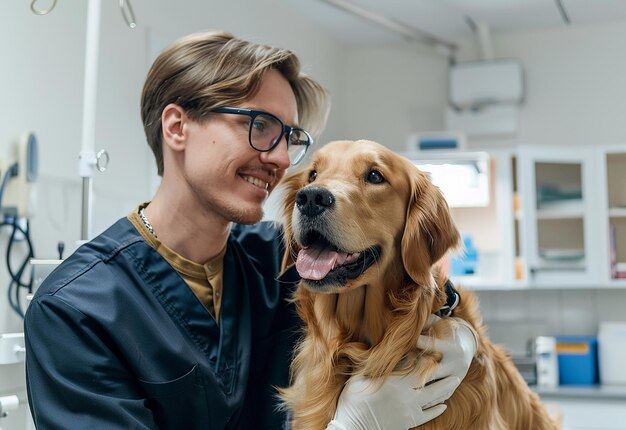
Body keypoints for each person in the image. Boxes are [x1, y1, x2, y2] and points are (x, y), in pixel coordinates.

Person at [24, 31, 477, 429]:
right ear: (177, 126)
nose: (280, 159)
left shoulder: (283, 262)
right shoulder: (75, 312)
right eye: (260, 126)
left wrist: (457, 326)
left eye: (290, 138)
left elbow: (408, 269)